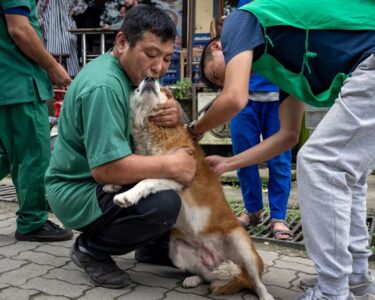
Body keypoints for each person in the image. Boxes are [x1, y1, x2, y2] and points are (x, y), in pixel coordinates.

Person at [191, 1, 375, 299]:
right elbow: (287, 136)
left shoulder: (241, 20)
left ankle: (332, 291)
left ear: (216, 47)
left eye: (215, 76)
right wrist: (228, 164)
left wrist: (193, 131)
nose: (222, 82)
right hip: (366, 66)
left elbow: (234, 99)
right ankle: (355, 277)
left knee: (320, 163)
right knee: (347, 176)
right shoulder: (283, 63)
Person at [45, 5, 196, 289]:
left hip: (108, 177)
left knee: (182, 186)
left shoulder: (135, 75)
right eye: (151, 55)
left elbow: (166, 124)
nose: (159, 67)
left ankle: (152, 246)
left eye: (166, 58)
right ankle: (91, 250)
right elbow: (107, 170)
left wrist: (177, 115)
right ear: (122, 42)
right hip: (79, 187)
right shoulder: (103, 86)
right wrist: (171, 165)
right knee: (162, 202)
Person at [0, 0, 73, 242]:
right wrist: (53, 67)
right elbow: (19, 28)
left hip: (7, 80)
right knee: (33, 153)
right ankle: (32, 221)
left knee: (6, 154)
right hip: (18, 82)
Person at [231, 0, 292, 241]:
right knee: (243, 156)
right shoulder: (244, 4)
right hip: (242, 95)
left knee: (279, 159)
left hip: (279, 96)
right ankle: (253, 210)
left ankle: (278, 216)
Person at [37, 0, 88, 77]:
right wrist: (40, 21)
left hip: (66, 26)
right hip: (50, 27)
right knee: (51, 52)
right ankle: (52, 76)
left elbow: (82, 4)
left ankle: (71, 77)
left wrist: (74, 11)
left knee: (69, 52)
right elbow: (39, 11)